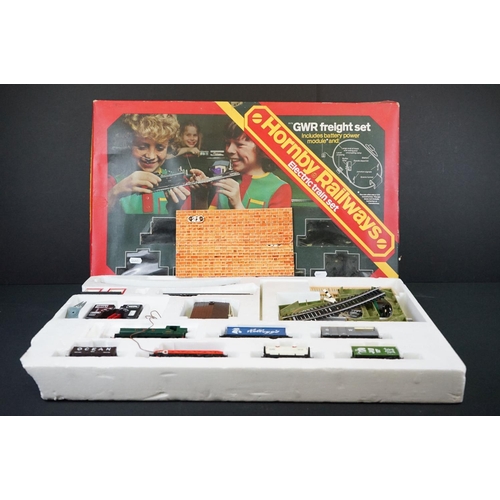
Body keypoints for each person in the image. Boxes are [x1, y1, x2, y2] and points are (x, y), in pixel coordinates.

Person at [107, 114, 205, 214]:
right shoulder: (112, 182)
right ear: (129, 145)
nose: (151, 156)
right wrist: (114, 193)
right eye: (142, 147)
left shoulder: (180, 182)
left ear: (168, 148)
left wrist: (202, 195)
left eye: (160, 148)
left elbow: (198, 220)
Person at [209, 121, 292, 209]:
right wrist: (201, 197)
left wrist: (238, 206)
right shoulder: (226, 181)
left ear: (262, 148)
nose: (229, 150)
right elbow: (209, 217)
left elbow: (275, 219)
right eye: (228, 143)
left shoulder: (280, 188)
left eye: (239, 145)